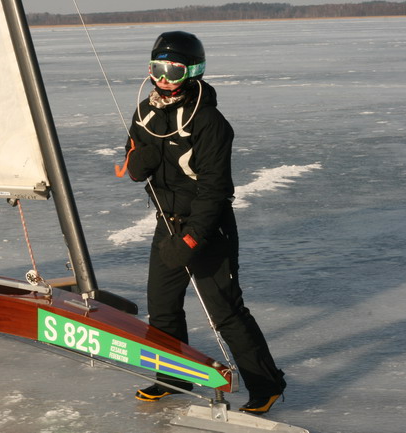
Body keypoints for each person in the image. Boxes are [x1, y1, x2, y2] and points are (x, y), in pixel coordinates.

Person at [121, 31, 286, 414]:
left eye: (174, 70)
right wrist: (136, 164)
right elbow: (129, 163)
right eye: (158, 67)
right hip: (168, 221)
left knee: (225, 310)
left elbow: (216, 190)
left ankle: (267, 384)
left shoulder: (210, 122)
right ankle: (173, 376)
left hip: (208, 227)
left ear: (192, 71)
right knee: (161, 307)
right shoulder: (144, 111)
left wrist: (193, 239)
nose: (164, 77)